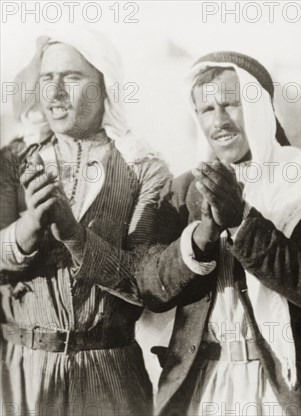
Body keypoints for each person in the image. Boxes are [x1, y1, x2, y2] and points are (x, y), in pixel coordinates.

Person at [136, 51, 301, 416]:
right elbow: (151, 287)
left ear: (259, 108)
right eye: (206, 110)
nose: (219, 121)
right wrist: (202, 236)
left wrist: (241, 220)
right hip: (205, 385)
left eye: (231, 104)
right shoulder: (183, 191)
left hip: (283, 384)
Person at [0, 28, 170, 415]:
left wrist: (76, 237)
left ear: (103, 86)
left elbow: (146, 284)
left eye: (72, 78)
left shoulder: (144, 172)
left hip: (108, 375)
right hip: (21, 375)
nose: (56, 93)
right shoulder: (9, 164)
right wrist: (29, 227)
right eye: (47, 78)